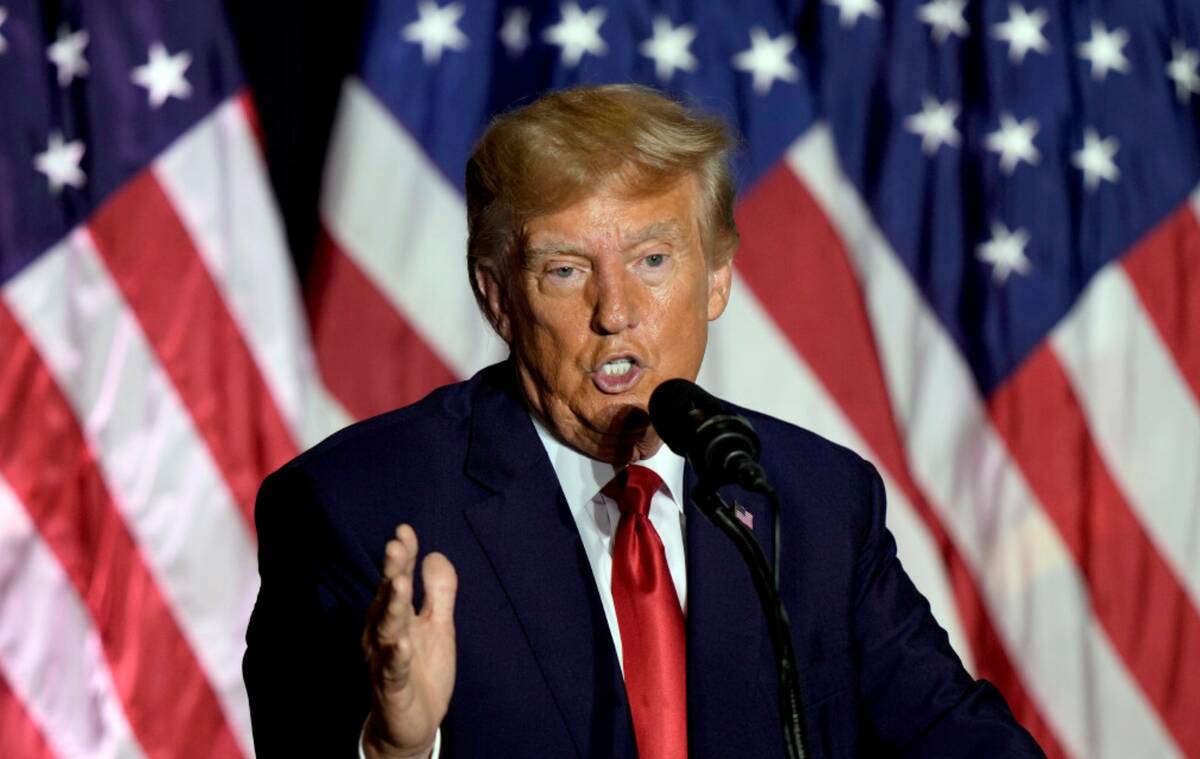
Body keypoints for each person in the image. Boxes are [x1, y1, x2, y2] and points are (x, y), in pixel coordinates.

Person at [243, 84, 1043, 758]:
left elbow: (955, 737)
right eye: (565, 270)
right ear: (498, 297)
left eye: (653, 260)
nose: (615, 312)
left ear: (718, 277)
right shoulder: (356, 506)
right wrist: (396, 747)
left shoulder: (816, 501)